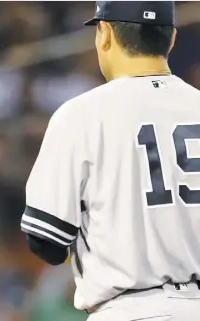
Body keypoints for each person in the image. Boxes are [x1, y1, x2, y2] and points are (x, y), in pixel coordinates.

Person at [20, 1, 200, 321]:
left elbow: (45, 241)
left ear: (104, 34)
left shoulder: (81, 115)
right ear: (170, 37)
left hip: (129, 309)